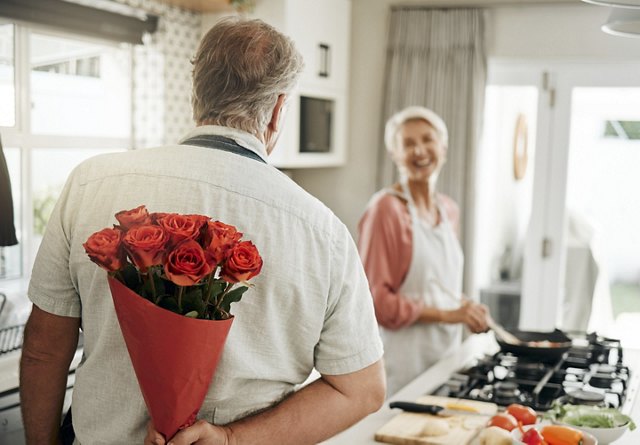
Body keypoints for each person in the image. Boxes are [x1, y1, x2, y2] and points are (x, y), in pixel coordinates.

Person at [20, 17, 385, 445]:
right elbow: (360, 389)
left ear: (196, 93)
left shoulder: (90, 183)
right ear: (279, 110)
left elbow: (43, 351)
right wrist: (231, 439)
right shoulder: (324, 232)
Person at [358, 106, 488, 397]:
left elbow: (436, 285)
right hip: (402, 365)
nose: (419, 150)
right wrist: (449, 315)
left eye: (427, 139)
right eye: (408, 143)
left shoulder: (449, 209)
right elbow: (376, 302)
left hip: (446, 359)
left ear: (443, 146)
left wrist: (466, 307)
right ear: (394, 154)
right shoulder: (385, 209)